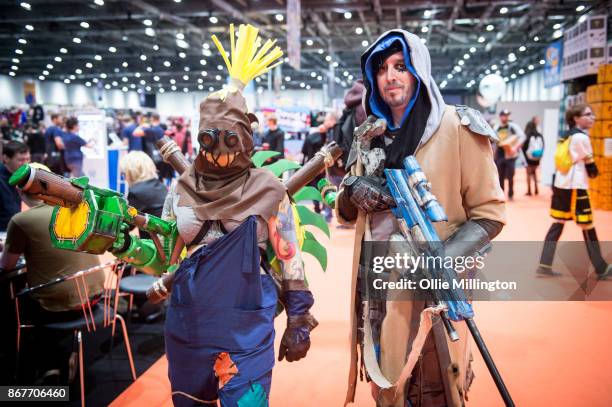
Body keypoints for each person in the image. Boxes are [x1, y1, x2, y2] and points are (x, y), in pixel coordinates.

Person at [335, 30, 506, 406]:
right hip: (378, 284)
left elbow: (490, 215)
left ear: (419, 71)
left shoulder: (458, 126)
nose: (390, 76)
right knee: (386, 386)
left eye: (401, 66)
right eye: (381, 69)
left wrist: (438, 262)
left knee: (435, 387)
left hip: (431, 292)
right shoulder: (369, 135)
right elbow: (346, 214)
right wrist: (352, 191)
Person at [155, 25, 317, 406]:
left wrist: (298, 318)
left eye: (232, 139)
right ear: (198, 137)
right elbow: (163, 250)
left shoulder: (268, 190)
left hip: (247, 324)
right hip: (188, 323)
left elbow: (290, 258)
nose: (220, 151)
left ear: (247, 139)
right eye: (210, 138)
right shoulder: (181, 188)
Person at [0, 163, 104, 383]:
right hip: (96, 294)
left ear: (20, 191)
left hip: (59, 305)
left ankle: (36, 370)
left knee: (17, 303)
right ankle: (59, 358)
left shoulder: (21, 221)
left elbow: (6, 266)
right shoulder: (75, 208)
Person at [538, 103, 611, 278]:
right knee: (588, 225)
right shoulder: (581, 138)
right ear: (576, 118)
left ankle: (544, 263)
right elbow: (590, 164)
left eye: (592, 114)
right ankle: (601, 267)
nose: (592, 117)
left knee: (558, 223)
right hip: (576, 187)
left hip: (562, 184)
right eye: (587, 114)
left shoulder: (565, 136)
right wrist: (594, 170)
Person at [119, 151, 168, 238]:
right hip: (169, 239)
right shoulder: (160, 186)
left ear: (130, 172)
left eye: (124, 173)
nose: (124, 176)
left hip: (154, 244)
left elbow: (127, 225)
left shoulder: (136, 192)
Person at [302, 113, 336, 221]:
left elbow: (304, 152)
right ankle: (324, 209)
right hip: (322, 166)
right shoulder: (325, 137)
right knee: (325, 187)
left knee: (313, 188)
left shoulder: (309, 137)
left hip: (310, 166)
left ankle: (317, 209)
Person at [494, 109, 526, 200]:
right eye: (504, 115)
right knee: (500, 175)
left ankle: (511, 193)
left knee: (510, 175)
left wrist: (515, 148)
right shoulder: (496, 127)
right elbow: (493, 140)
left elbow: (522, 136)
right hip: (500, 154)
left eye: (507, 115)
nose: (506, 117)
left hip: (510, 154)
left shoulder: (513, 126)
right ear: (500, 117)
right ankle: (502, 194)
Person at [1, 141, 30, 231]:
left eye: (28, 159)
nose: (26, 164)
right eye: (21, 160)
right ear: (6, 158)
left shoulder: (17, 174)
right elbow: (10, 211)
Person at [523, 116, 545, 196]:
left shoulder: (527, 136)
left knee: (528, 174)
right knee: (534, 172)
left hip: (528, 158)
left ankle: (529, 191)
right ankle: (536, 189)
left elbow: (524, 148)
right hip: (537, 157)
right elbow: (543, 146)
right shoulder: (540, 135)